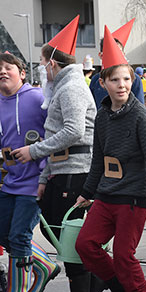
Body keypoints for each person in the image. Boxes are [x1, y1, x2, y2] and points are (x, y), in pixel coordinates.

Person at [74, 26, 146, 292]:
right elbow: (98, 160)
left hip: (134, 197)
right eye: (115, 80)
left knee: (124, 256)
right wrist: (87, 192)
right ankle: (119, 284)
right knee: (85, 245)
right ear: (103, 83)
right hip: (106, 194)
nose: (122, 85)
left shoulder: (142, 118)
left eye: (127, 79)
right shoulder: (102, 116)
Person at [10, 15, 98, 291]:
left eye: (42, 60)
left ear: (53, 63)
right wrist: (44, 179)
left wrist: (34, 151)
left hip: (75, 171)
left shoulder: (71, 88)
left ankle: (96, 283)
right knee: (66, 237)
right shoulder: (61, 88)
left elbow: (72, 131)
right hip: (62, 170)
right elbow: (56, 138)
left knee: (71, 242)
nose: (40, 66)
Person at [0, 52, 60, 292]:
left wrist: (46, 169)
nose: (3, 72)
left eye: (8, 68)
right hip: (9, 180)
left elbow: (57, 134)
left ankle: (19, 289)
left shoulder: (37, 98)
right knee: (5, 233)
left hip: (35, 181)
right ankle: (45, 265)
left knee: (19, 237)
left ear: (22, 74)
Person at [88, 36, 145, 109]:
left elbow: (140, 109)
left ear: (123, 54)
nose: (121, 85)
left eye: (119, 53)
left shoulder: (134, 79)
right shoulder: (95, 80)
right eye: (111, 53)